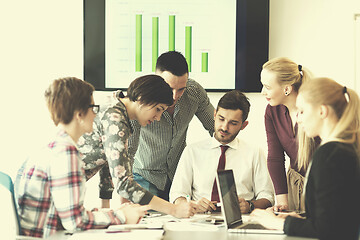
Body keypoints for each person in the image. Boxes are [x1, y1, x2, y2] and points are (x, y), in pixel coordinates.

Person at [15, 77, 149, 238]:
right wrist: (122, 216)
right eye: (93, 108)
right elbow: (76, 221)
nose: (95, 114)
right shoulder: (66, 153)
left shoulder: (55, 145)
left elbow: (68, 214)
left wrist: (114, 212)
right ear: (79, 114)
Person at [251, 77, 360, 240]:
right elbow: (336, 217)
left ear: (322, 111)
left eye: (302, 111)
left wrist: (277, 223)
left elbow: (327, 229)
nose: (299, 119)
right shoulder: (343, 148)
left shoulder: (330, 154)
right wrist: (300, 220)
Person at [101, 51, 215, 204]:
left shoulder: (194, 92)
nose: (174, 96)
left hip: (178, 176)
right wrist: (124, 207)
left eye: (181, 89)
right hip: (144, 176)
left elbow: (216, 128)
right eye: (169, 88)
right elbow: (127, 155)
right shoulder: (138, 103)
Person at [78, 74, 197, 218]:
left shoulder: (115, 107)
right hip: (58, 187)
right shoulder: (116, 119)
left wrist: (105, 205)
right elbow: (124, 184)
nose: (158, 118)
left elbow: (108, 159)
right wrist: (173, 209)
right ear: (141, 99)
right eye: (158, 109)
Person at [170, 90, 274, 213]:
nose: (224, 127)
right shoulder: (192, 151)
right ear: (214, 115)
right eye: (221, 119)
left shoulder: (254, 153)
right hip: (199, 220)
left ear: (243, 125)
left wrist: (250, 205)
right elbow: (177, 195)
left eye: (233, 123)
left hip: (240, 220)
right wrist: (192, 204)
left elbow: (268, 197)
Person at [260, 57, 317, 212]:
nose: (262, 92)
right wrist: (282, 202)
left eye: (267, 87)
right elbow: (275, 157)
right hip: (295, 185)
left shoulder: (315, 110)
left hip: (321, 185)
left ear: (287, 89)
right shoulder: (272, 111)